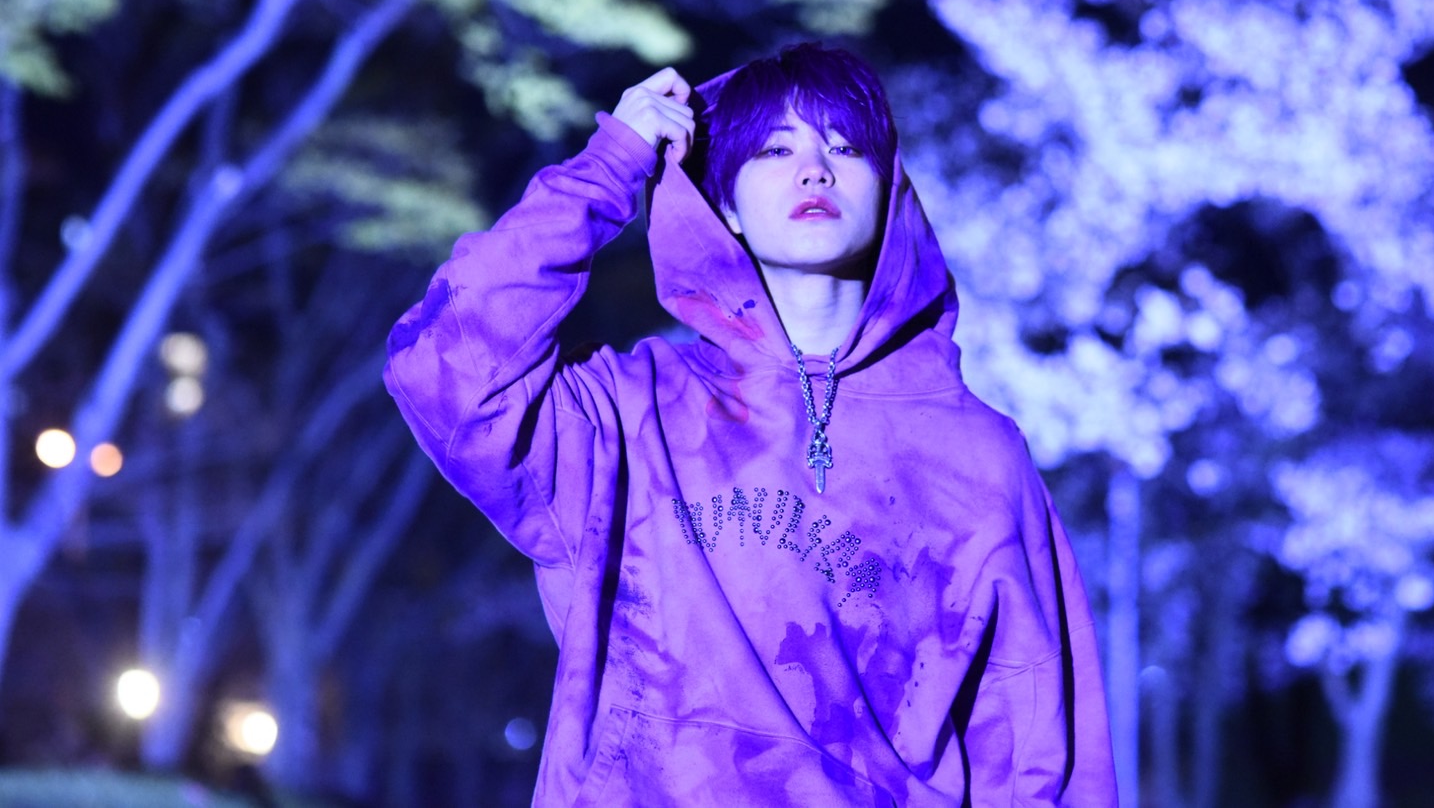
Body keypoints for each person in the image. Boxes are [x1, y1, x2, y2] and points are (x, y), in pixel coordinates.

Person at [384, 44, 1117, 806]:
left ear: (890, 191)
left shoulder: (977, 453)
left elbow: (1041, 748)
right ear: (725, 204)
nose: (815, 170)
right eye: (775, 149)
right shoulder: (629, 417)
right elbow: (440, 361)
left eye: (846, 147)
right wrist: (609, 168)